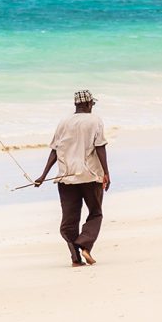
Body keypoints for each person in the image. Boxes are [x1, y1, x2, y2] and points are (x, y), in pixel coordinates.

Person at [35, 90, 109, 267]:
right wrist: (106, 173)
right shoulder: (95, 120)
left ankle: (76, 258)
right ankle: (84, 245)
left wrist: (43, 175)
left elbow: (54, 149)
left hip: (66, 178)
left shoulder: (64, 122)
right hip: (90, 176)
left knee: (69, 220)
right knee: (95, 213)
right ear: (89, 104)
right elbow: (100, 147)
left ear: (76, 105)